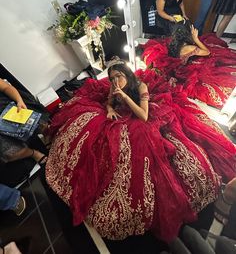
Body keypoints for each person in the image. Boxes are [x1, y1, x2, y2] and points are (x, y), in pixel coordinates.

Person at [46, 56, 236, 243]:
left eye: (119, 76)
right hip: (122, 117)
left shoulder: (141, 87)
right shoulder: (115, 86)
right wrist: (111, 109)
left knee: (147, 152)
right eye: (112, 78)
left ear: (127, 74)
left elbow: (143, 116)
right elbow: (109, 103)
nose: (115, 81)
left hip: (141, 119)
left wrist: (125, 97)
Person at [142, 21, 236, 108]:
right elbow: (207, 52)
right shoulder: (189, 47)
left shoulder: (173, 44)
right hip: (190, 68)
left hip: (181, 68)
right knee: (216, 60)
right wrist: (196, 39)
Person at [0, 78, 47, 165]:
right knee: (7, 152)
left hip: (7, 108)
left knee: (41, 124)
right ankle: (33, 153)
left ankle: (50, 138)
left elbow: (6, 87)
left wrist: (19, 101)